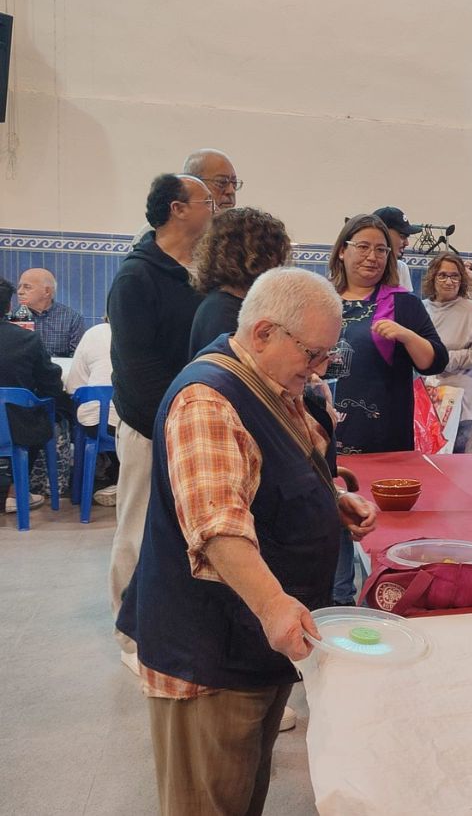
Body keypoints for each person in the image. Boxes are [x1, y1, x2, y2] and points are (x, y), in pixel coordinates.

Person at [115, 267, 378, 816]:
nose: (320, 367)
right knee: (210, 800)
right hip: (210, 652)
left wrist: (330, 502)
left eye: (329, 355)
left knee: (243, 791)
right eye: (313, 353)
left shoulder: (271, 379)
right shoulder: (208, 401)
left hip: (253, 642)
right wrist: (274, 603)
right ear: (263, 333)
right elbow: (217, 526)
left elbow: (274, 467)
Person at [108, 174, 213, 665]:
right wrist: (170, 423)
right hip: (150, 424)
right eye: (207, 199)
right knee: (137, 527)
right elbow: (138, 366)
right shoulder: (137, 276)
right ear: (178, 209)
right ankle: (130, 635)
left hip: (189, 421)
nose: (216, 205)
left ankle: (167, 624)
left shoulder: (198, 269)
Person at [329, 215, 448, 603]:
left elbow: (435, 361)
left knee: (379, 529)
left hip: (383, 439)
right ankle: (333, 602)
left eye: (381, 249)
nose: (372, 256)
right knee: (329, 530)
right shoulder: (321, 298)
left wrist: (406, 335)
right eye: (362, 246)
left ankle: (380, 599)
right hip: (325, 437)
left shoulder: (402, 304)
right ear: (343, 250)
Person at [0, 278, 74, 514]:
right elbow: (50, 380)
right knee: (39, 414)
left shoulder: (67, 317)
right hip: (13, 429)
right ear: (8, 308)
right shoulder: (25, 339)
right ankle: (15, 491)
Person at [188, 207, 293, 357]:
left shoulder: (227, 304)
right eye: (272, 254)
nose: (278, 264)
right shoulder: (223, 312)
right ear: (255, 256)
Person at [420, 253, 472, 454]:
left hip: (461, 399)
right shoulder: (422, 308)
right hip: (429, 396)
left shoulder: (471, 310)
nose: (449, 281)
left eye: (455, 276)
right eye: (442, 275)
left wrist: (445, 359)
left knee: (456, 459)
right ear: (433, 278)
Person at [65, 319, 120, 505]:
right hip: (142, 424)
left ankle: (95, 482)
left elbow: (74, 387)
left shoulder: (94, 333)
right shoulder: (154, 333)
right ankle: (122, 480)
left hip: (98, 424)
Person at [133, 149, 240, 242]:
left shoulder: (238, 234)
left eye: (234, 183)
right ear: (194, 182)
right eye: (221, 182)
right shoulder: (154, 235)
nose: (231, 190)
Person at [14, 268, 85, 357]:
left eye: (27, 287)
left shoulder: (71, 318)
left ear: (47, 291)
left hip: (60, 369)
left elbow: (77, 357)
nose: (19, 292)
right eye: (19, 286)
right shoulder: (13, 317)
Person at [372, 206, 421, 292]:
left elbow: (407, 303)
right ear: (383, 233)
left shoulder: (401, 267)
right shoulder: (364, 267)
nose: (407, 243)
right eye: (402, 236)